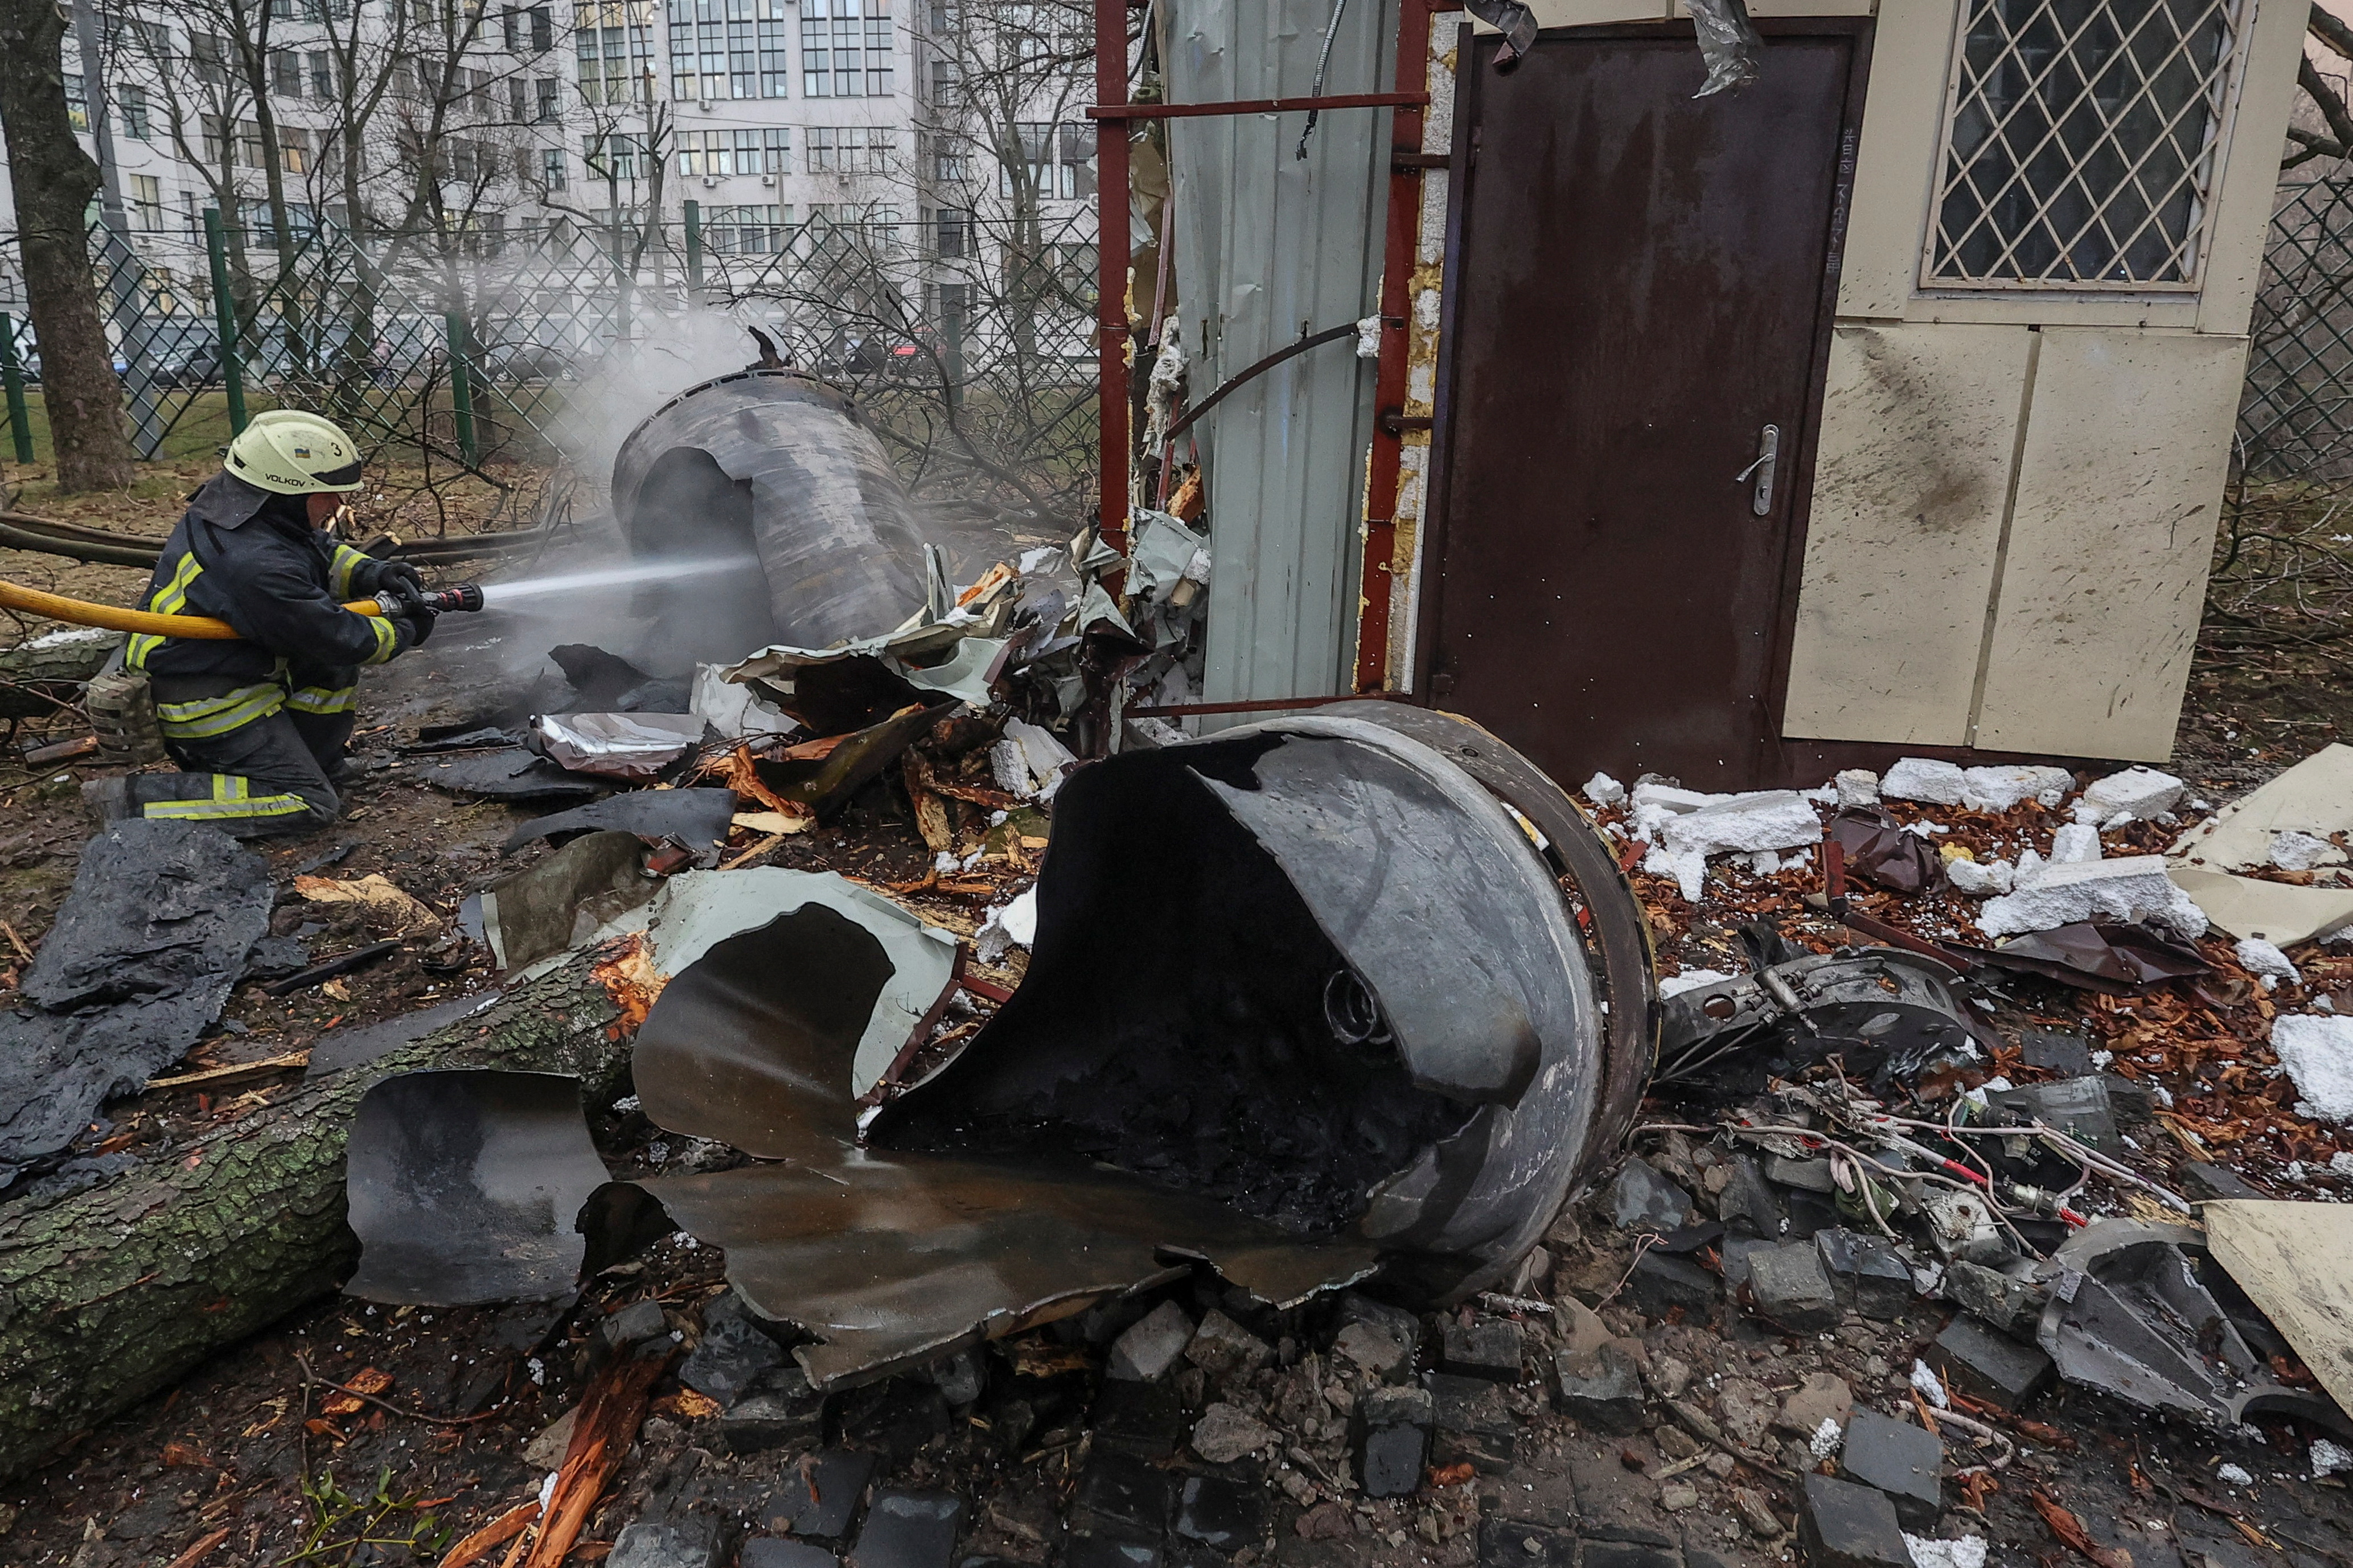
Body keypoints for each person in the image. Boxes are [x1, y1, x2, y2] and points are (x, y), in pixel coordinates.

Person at [83, 410, 437, 835]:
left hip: (224, 666)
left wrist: (371, 572)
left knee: (329, 667)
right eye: (326, 494)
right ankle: (136, 803)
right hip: (205, 700)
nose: (337, 505)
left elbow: (313, 550)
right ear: (287, 492)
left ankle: (316, 762)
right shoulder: (254, 565)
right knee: (310, 804)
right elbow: (337, 636)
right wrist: (407, 630)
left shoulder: (241, 509)